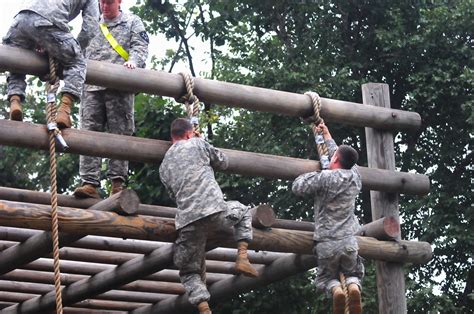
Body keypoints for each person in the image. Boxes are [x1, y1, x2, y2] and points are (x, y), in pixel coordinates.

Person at [159, 118, 259, 314]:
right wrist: (202, 140)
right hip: (216, 213)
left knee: (189, 271)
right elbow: (223, 161)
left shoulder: (163, 167)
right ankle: (242, 256)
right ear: (189, 133)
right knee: (244, 210)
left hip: (188, 223)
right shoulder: (197, 143)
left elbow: (172, 194)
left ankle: (204, 308)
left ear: (173, 136)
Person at [73, 0, 149, 198]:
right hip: (91, 88)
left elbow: (140, 47)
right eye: (102, 2)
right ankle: (89, 183)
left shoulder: (132, 22)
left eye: (109, 3)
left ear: (119, 2)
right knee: (89, 133)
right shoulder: (91, 22)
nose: (104, 7)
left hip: (120, 88)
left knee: (120, 135)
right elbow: (76, 48)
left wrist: (134, 62)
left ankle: (117, 183)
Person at [292, 122, 364, 314]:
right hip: (349, 242)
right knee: (353, 273)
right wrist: (327, 135)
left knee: (325, 280)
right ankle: (354, 287)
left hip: (326, 243)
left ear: (334, 160)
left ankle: (336, 290)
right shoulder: (356, 178)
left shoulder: (325, 178)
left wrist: (316, 174)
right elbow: (344, 157)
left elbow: (298, 187)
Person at [3, 0, 99, 128]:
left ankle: (15, 99)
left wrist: (44, 42)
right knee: (77, 62)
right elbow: (90, 29)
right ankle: (64, 109)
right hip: (47, 20)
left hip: (20, 20)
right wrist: (72, 51)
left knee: (17, 60)